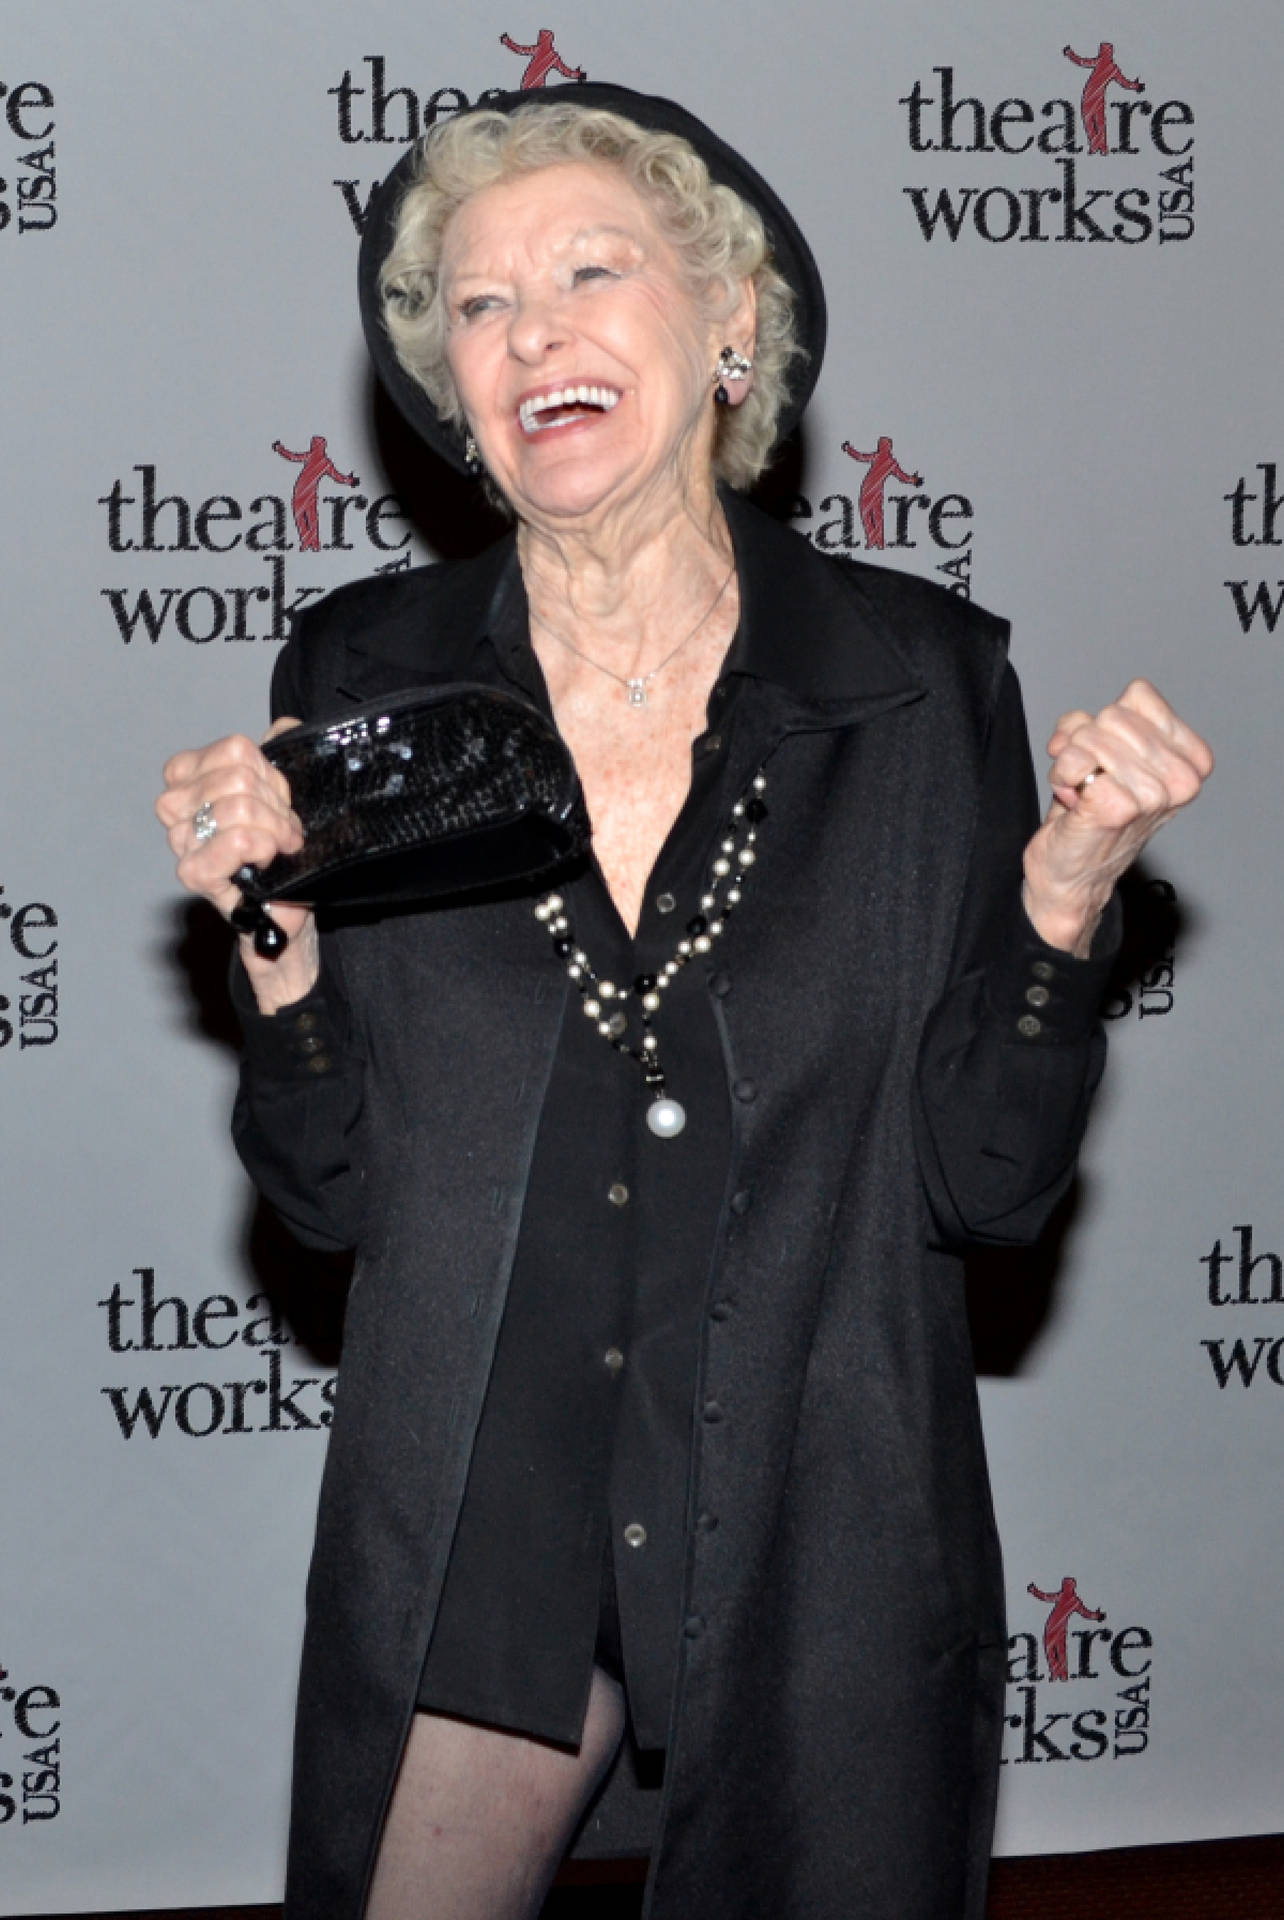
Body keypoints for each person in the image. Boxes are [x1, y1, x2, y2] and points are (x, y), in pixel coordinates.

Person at [155, 83, 1211, 1920]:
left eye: (587, 269)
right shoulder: (364, 681)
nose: (531, 332)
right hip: (491, 1514)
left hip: (819, 1522)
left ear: (731, 326)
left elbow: (987, 1188)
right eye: (477, 308)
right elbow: (331, 1197)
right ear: (459, 402)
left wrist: (1055, 909)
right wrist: (278, 945)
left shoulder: (913, 681)